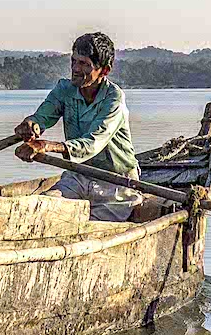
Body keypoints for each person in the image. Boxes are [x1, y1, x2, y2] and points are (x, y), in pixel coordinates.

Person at [13, 31, 144, 221]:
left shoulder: (114, 99)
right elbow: (42, 116)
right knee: (42, 211)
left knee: (93, 227)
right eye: (73, 61)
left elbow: (93, 143)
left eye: (84, 64)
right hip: (78, 176)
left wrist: (46, 146)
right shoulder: (65, 89)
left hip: (116, 184)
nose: (75, 68)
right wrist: (30, 125)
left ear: (104, 71)